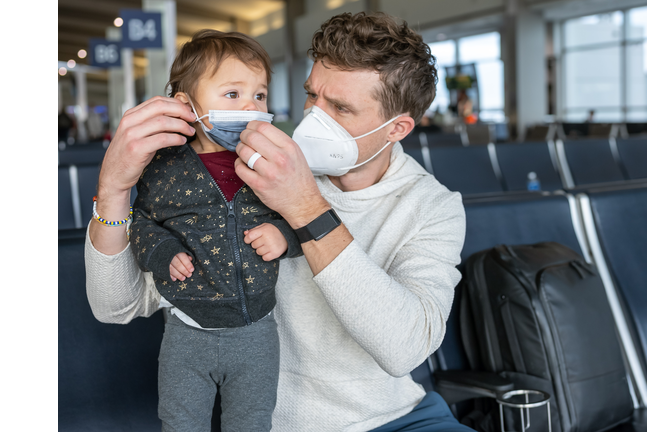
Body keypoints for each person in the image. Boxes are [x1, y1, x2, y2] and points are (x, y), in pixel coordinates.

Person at [85, 11, 471, 432]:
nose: (313, 118)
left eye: (340, 107)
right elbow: (116, 307)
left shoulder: (433, 206)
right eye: (312, 96)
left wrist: (304, 206)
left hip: (399, 418)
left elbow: (404, 349)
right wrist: (113, 190)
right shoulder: (234, 170)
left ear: (396, 128)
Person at [130, 30, 302, 431]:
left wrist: (283, 236)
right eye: (232, 94)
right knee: (180, 422)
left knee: (252, 422)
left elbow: (301, 216)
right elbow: (139, 220)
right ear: (187, 105)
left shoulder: (270, 161)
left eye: (259, 95)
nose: (250, 107)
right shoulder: (164, 167)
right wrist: (162, 251)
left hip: (257, 330)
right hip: (187, 330)